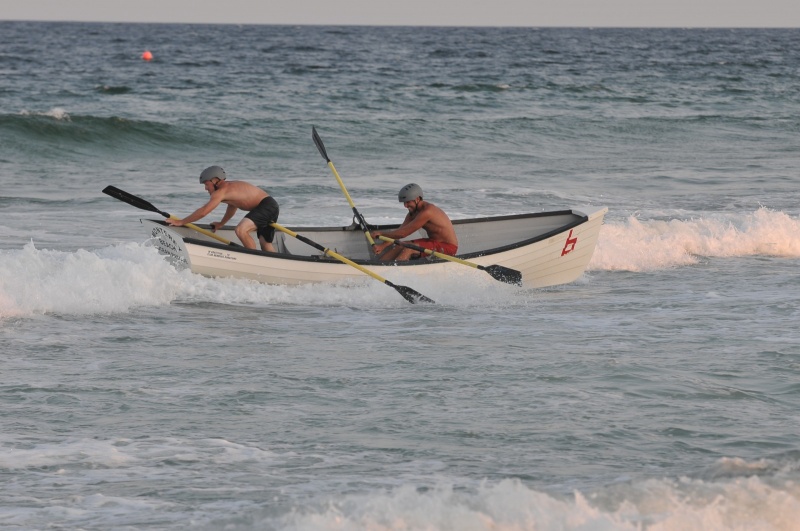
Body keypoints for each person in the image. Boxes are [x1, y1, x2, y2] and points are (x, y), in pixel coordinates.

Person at [166, 165, 280, 252]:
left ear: (215, 180)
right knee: (265, 242)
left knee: (241, 230)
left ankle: (254, 261)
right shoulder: (230, 189)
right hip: (270, 205)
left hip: (265, 206)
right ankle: (273, 266)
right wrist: (221, 223)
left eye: (206, 184)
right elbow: (232, 206)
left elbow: (203, 212)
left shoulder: (221, 192)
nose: (206, 188)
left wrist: (181, 222)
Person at [370, 183, 458, 261]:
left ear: (417, 199)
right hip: (433, 242)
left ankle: (395, 271)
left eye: (408, 202)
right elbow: (399, 232)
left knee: (409, 248)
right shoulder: (412, 213)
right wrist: (382, 246)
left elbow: (403, 234)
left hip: (448, 247)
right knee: (401, 245)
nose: (405, 206)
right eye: (404, 203)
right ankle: (379, 266)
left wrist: (381, 234)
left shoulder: (428, 212)